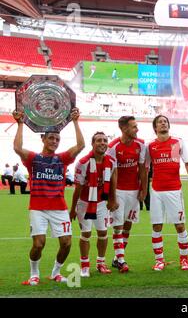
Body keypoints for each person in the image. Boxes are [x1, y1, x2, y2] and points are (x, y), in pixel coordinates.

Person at [12, 107, 85, 286]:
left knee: (67, 243)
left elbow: (81, 146)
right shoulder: (33, 159)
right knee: (39, 244)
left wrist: (75, 121)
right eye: (51, 138)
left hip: (59, 208)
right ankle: (34, 274)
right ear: (43, 139)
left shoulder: (62, 159)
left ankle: (56, 272)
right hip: (38, 208)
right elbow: (17, 147)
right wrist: (20, 124)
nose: (54, 141)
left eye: (57, 139)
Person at [146, 115, 188, 271]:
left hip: (174, 190)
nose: (163, 123)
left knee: (179, 225)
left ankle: (184, 259)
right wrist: (144, 189)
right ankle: (159, 261)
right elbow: (145, 168)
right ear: (155, 128)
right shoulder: (149, 145)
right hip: (156, 191)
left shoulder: (178, 142)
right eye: (160, 122)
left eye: (165, 121)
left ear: (168, 126)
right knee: (156, 226)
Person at [70, 132, 119, 277]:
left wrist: (113, 199)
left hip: (101, 202)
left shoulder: (111, 160)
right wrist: (73, 209)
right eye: (99, 140)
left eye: (105, 140)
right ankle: (84, 265)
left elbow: (114, 178)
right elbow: (77, 189)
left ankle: (101, 263)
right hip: (85, 203)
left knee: (103, 233)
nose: (103, 143)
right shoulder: (83, 162)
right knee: (86, 233)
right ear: (93, 143)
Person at [107, 116, 148, 273]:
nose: (137, 129)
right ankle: (122, 261)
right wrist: (113, 196)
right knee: (118, 226)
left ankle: (117, 258)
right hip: (118, 191)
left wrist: (143, 190)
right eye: (134, 127)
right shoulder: (113, 147)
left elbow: (143, 169)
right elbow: (113, 173)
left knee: (128, 225)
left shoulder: (141, 145)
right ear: (124, 129)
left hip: (134, 191)